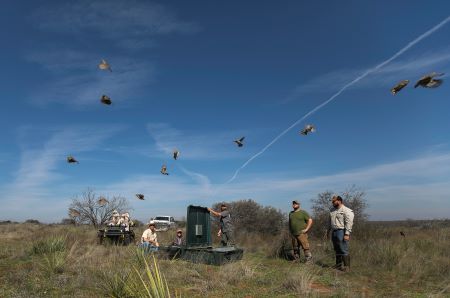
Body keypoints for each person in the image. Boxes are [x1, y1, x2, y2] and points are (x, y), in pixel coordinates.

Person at [327, 195, 354, 271]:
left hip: (341, 231)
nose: (332, 203)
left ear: (339, 201)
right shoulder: (332, 210)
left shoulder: (346, 210)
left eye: (334, 201)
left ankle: (347, 267)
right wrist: (328, 231)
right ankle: (338, 266)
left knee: (343, 249)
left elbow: (349, 223)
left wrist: (347, 234)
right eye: (332, 201)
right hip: (334, 231)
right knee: (337, 249)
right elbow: (329, 222)